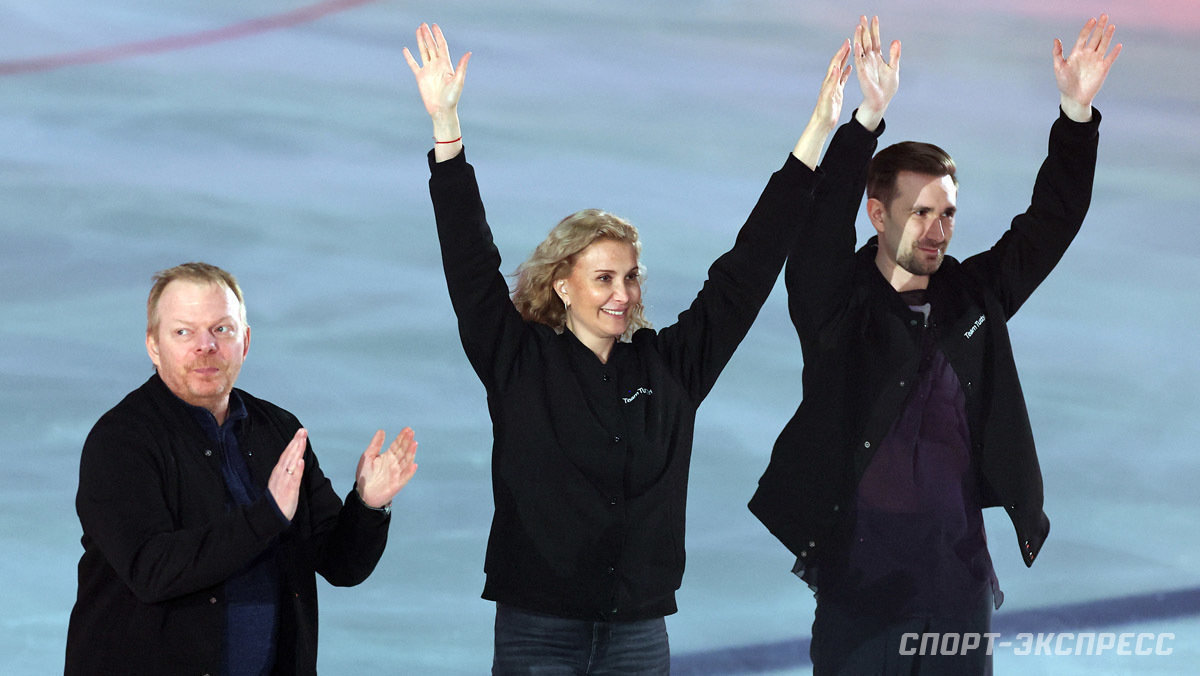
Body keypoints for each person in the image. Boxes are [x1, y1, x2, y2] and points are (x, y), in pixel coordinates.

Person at [404, 21, 857, 674]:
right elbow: (470, 264)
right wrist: (447, 130)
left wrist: (814, 137)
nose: (622, 294)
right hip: (539, 629)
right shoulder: (518, 361)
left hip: (639, 633)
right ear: (562, 284)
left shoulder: (671, 367)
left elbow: (746, 273)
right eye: (604, 278)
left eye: (630, 277)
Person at [749, 15, 1122, 675]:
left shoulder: (974, 296)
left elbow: (1051, 222)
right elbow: (814, 232)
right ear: (877, 211)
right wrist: (866, 120)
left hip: (958, 591)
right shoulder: (835, 306)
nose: (937, 229)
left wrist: (1075, 113)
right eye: (920, 211)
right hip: (859, 594)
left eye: (947, 212)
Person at [64, 262, 419, 675]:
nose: (205, 346)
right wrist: (265, 516)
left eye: (222, 329)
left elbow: (341, 565)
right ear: (153, 345)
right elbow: (152, 571)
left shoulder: (280, 430)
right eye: (183, 331)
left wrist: (369, 505)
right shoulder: (121, 441)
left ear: (245, 341)